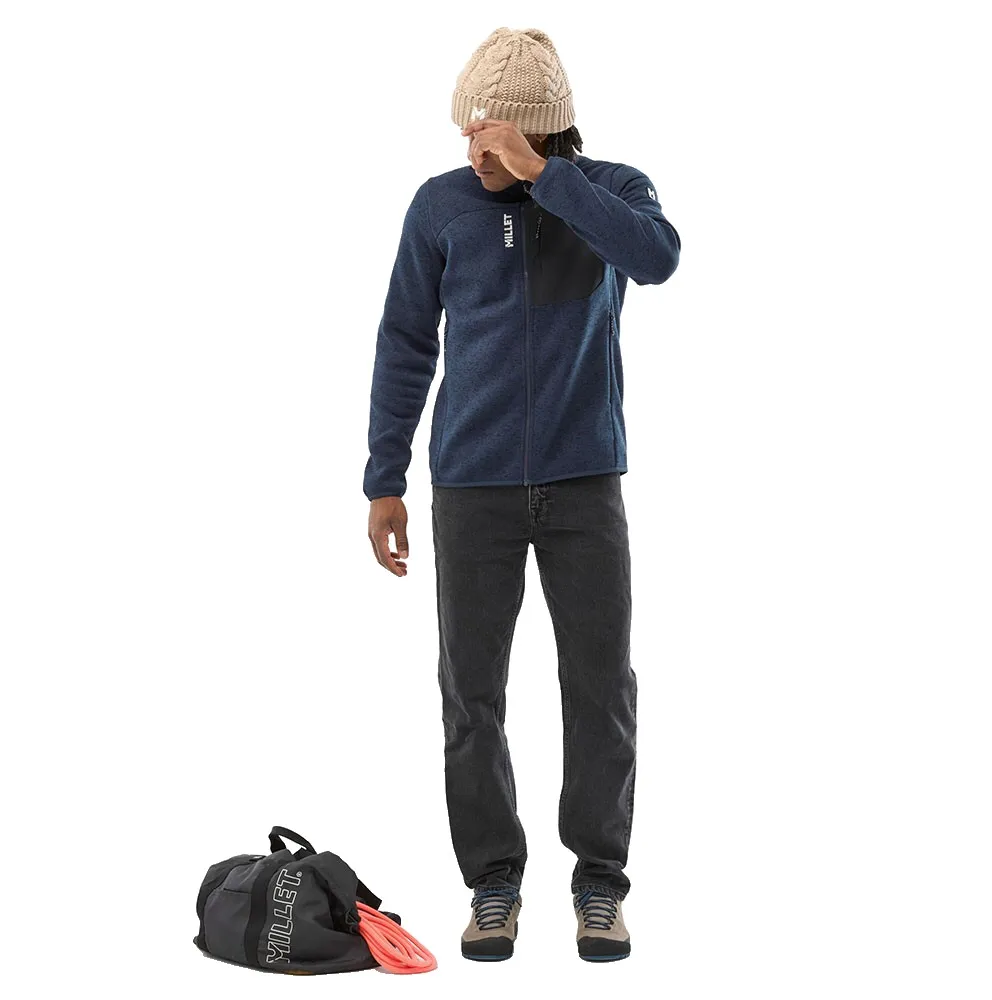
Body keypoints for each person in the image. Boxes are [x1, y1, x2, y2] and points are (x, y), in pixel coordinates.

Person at [363, 26, 680, 963]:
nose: (477, 148)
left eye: (497, 131)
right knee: (471, 694)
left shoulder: (610, 192)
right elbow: (404, 340)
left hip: (585, 484)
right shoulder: (441, 206)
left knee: (601, 688)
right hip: (472, 488)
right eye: (469, 129)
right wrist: (384, 480)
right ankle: (493, 881)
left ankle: (600, 882)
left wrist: (547, 178)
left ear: (542, 129)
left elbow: (657, 258)